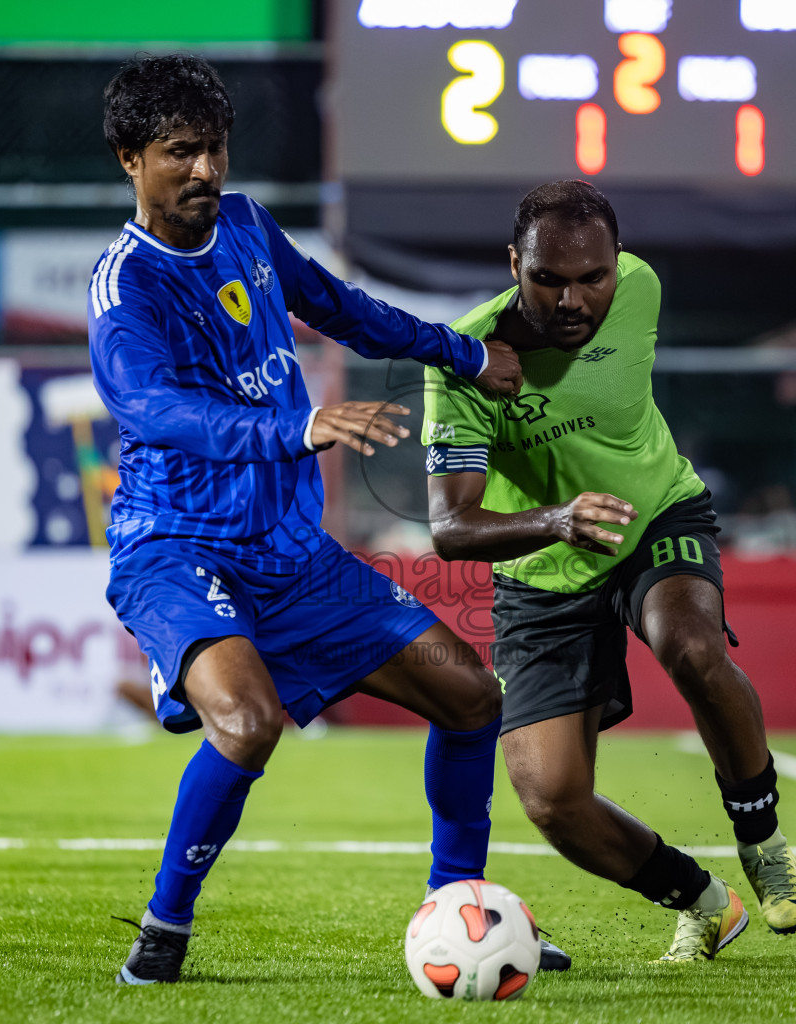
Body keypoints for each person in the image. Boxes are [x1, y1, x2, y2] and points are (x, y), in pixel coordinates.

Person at [86, 54, 566, 985]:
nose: (205, 170)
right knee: (247, 721)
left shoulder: (246, 225)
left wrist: (463, 353)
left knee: (472, 696)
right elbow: (155, 411)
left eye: (215, 147)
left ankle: (459, 912)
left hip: (292, 557)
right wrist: (298, 427)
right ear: (129, 160)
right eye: (180, 152)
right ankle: (164, 931)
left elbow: (340, 308)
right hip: (175, 547)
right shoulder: (125, 288)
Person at [422, 180, 796, 965]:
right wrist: (555, 520)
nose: (574, 300)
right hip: (540, 565)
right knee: (553, 800)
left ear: (618, 265)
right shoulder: (465, 359)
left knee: (694, 649)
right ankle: (703, 902)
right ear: (514, 265)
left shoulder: (641, 287)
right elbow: (450, 528)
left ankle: (764, 843)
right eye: (549, 279)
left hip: (654, 517)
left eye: (592, 277)